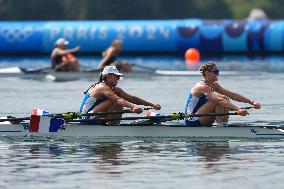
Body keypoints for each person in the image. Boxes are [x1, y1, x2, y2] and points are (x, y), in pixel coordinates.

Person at [184, 61, 261, 127]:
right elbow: (218, 100)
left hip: (202, 118)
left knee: (225, 98)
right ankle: (220, 127)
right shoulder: (202, 87)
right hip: (192, 119)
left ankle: (224, 125)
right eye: (216, 72)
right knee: (218, 100)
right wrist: (238, 109)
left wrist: (252, 102)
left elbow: (232, 95)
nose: (218, 74)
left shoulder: (214, 85)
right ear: (207, 73)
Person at [80, 66, 161, 125]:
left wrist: (152, 105)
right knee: (116, 101)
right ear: (109, 76)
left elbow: (132, 99)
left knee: (120, 98)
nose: (119, 78)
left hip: (96, 116)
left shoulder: (115, 89)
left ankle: (114, 124)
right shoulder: (102, 87)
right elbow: (117, 100)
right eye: (117, 76)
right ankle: (113, 125)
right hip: (86, 117)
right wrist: (133, 107)